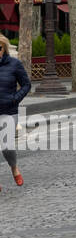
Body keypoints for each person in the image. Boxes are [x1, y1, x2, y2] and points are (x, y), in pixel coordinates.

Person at [0, 35, 31, 189]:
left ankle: (14, 167)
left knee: (7, 147)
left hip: (9, 111)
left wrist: (15, 99)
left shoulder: (14, 64)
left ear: (4, 48)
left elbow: (26, 85)